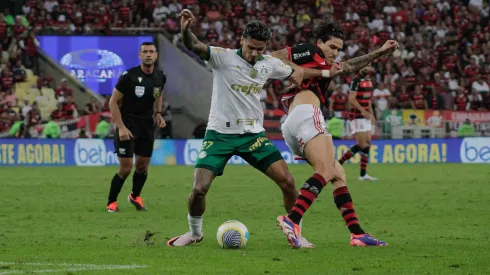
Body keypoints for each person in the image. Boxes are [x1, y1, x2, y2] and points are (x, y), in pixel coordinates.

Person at [168, 9, 316, 247]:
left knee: (288, 182)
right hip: (219, 135)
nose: (255, 53)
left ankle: (295, 233)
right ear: (242, 41)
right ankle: (195, 233)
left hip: (253, 136)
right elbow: (195, 46)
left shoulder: (267, 64)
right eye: (251, 47)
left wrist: (299, 70)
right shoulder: (222, 57)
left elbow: (293, 70)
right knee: (199, 189)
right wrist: (186, 31)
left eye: (260, 48)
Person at [271, 19, 397, 248]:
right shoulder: (309, 50)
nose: (335, 52)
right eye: (332, 47)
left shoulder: (325, 65)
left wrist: (380, 52)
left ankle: (356, 233)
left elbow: (348, 67)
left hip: (293, 123)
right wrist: (296, 69)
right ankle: (292, 220)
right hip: (308, 114)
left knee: (337, 174)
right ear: (320, 42)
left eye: (339, 48)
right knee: (326, 170)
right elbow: (273, 56)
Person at [106, 41, 167, 213]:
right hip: (128, 125)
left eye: (151, 52)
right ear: (139, 56)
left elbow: (159, 94)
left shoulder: (160, 76)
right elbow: (113, 102)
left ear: (156, 56)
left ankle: (135, 196)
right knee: (125, 168)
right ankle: (111, 202)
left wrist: (158, 113)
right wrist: (121, 127)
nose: (148, 54)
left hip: (146, 127)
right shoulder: (129, 76)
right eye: (145, 52)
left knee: (142, 167)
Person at [338, 64, 378, 181]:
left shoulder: (369, 79)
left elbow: (368, 99)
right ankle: (339, 163)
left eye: (369, 66)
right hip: (357, 115)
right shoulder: (355, 80)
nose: (368, 68)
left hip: (365, 115)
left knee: (367, 144)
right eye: (365, 66)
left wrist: (371, 114)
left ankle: (363, 174)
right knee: (362, 145)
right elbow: (351, 99)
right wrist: (363, 111)